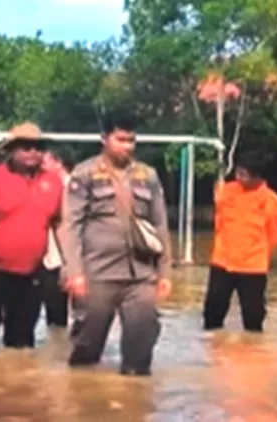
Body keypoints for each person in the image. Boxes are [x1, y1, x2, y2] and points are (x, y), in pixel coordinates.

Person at [58, 112, 172, 376]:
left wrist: (164, 272)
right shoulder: (84, 174)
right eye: (121, 140)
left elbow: (160, 225)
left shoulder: (148, 176)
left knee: (141, 350)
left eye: (131, 140)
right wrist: (75, 273)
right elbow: (70, 225)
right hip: (97, 274)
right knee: (87, 351)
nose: (127, 146)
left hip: (140, 276)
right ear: (104, 139)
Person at [0, 122, 63, 349]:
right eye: (26, 147)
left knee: (21, 344)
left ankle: (17, 384)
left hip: (31, 275)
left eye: (38, 147)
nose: (32, 152)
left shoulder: (53, 182)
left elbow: (60, 224)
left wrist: (69, 264)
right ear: (12, 150)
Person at [203, 159, 277, 332]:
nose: (239, 178)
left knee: (253, 318)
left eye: (244, 175)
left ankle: (252, 355)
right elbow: (219, 222)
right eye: (237, 173)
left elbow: (274, 235)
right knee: (212, 314)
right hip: (222, 261)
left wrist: (259, 255)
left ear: (257, 177)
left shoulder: (271, 201)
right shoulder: (226, 191)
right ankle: (213, 353)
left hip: (253, 266)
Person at [40, 148, 74, 327]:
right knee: (55, 321)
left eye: (44, 163)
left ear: (58, 162)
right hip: (50, 262)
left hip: (72, 263)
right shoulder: (42, 188)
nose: (40, 167)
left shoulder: (77, 190)